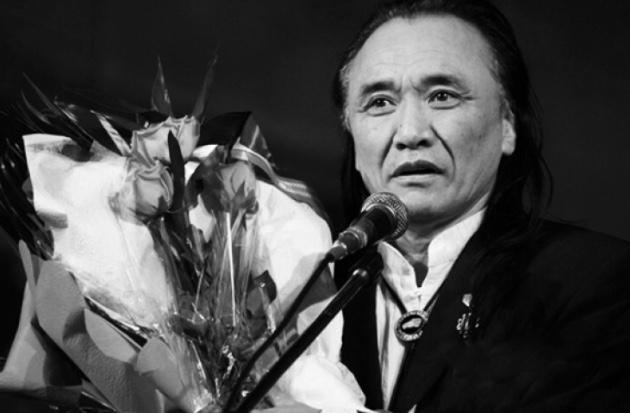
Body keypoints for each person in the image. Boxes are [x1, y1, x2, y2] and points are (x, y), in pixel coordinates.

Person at [332, 0, 630, 412]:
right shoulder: (310, 291)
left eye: (442, 96)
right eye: (380, 102)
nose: (410, 132)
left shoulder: (595, 281)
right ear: (351, 133)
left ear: (507, 124)